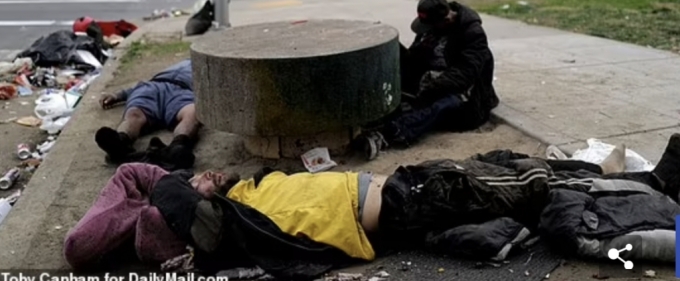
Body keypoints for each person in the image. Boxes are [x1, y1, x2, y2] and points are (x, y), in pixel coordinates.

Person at [65, 135, 680, 277]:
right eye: (197, 184)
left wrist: (192, 182)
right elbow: (150, 197)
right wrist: (188, 190)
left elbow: (136, 171)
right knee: (531, 188)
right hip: (406, 202)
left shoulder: (234, 199)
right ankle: (655, 187)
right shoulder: (186, 231)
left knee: (507, 168)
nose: (206, 176)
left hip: (404, 186)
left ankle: (631, 178)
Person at [357, 0, 500, 160]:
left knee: (443, 104)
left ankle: (390, 134)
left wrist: (431, 88)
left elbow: (464, 75)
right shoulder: (430, 29)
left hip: (465, 95)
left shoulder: (472, 33)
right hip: (429, 79)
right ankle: (372, 114)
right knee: (392, 51)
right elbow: (414, 58)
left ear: (446, 20)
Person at [95, 59, 199, 170]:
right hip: (153, 86)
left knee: (192, 113)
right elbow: (136, 87)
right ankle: (120, 143)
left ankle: (178, 147)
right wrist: (117, 96)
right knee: (134, 114)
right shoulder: (185, 60)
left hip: (184, 90)